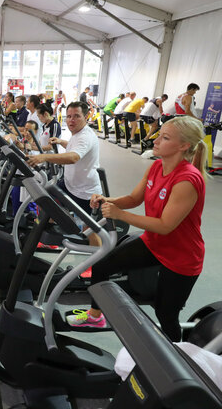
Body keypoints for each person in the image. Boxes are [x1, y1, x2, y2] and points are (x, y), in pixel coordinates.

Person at [67, 117, 207, 340]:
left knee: (165, 313)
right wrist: (107, 200)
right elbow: (134, 198)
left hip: (182, 256)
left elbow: (165, 226)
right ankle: (95, 316)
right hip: (154, 243)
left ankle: (177, 354)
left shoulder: (187, 180)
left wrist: (120, 214)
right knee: (102, 265)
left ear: (184, 146)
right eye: (159, 135)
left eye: (165, 138)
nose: (155, 140)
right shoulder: (156, 166)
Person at [27, 101, 102, 246]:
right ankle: (51, 239)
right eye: (69, 116)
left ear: (86, 116)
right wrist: (61, 142)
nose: (71, 120)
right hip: (69, 185)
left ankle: (99, 257)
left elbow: (74, 157)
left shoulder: (86, 136)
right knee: (46, 202)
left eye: (76, 116)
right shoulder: (77, 133)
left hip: (85, 192)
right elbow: (74, 148)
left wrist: (44, 157)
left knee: (89, 230)